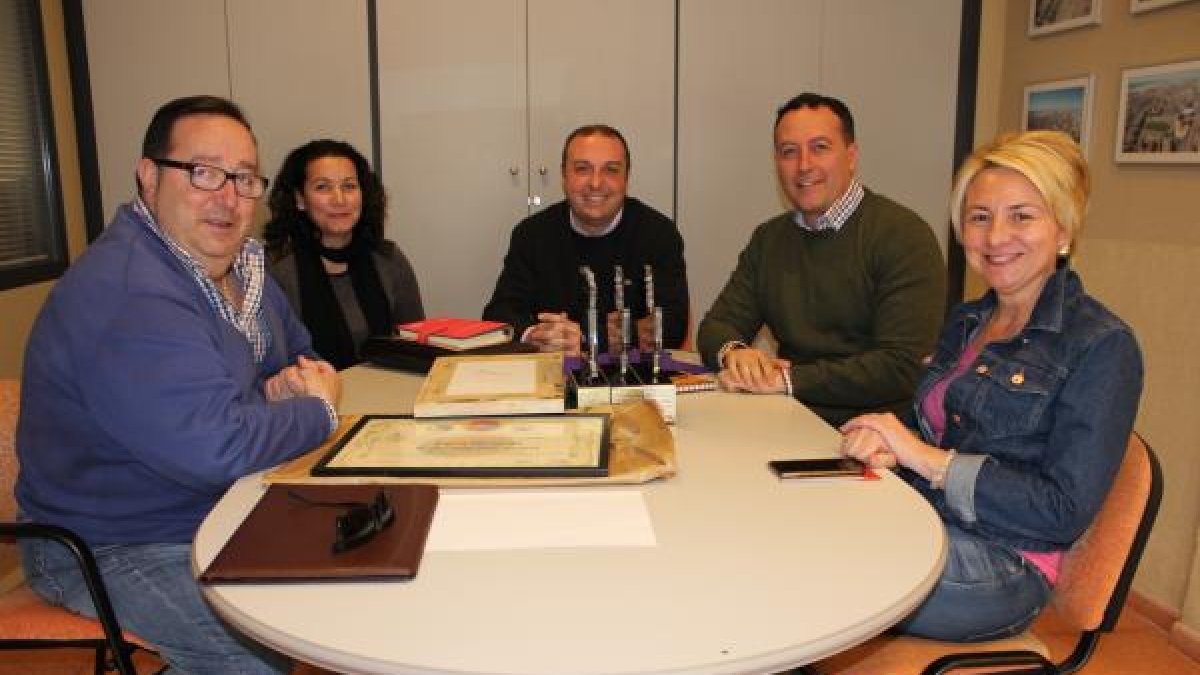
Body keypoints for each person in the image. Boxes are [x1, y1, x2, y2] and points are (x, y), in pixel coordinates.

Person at [16, 95, 341, 673]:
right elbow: (217, 447)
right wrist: (315, 411)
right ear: (148, 176)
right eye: (203, 172)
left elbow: (303, 358)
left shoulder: (245, 269)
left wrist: (282, 390)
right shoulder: (128, 291)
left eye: (244, 178)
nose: (228, 196)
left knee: (364, 558)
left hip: (219, 506)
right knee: (250, 648)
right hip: (109, 543)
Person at [839, 130, 1143, 641]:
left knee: (814, 569)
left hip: (1005, 564)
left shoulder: (1103, 346)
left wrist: (924, 459)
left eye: (1021, 215)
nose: (996, 237)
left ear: (1064, 230)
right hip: (926, 520)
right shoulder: (968, 319)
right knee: (791, 529)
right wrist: (889, 444)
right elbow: (935, 423)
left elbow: (1062, 512)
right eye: (980, 217)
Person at [696, 92, 946, 426]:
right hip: (789, 419)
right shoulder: (769, 239)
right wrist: (735, 353)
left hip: (875, 436)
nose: (804, 165)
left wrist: (786, 380)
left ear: (851, 156)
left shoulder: (903, 235)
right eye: (789, 152)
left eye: (820, 148)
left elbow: (901, 365)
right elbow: (716, 326)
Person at [483, 124, 689, 356]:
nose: (595, 183)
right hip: (552, 374)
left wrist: (584, 338)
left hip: (633, 379)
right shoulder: (531, 234)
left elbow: (672, 326)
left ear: (626, 178)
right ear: (564, 176)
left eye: (611, 170)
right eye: (582, 169)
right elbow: (499, 314)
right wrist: (536, 335)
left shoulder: (659, 234)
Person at [264, 139, 425, 370]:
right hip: (310, 400)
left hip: (390, 393)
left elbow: (416, 346)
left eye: (349, 186)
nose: (339, 200)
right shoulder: (274, 268)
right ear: (300, 199)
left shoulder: (388, 259)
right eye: (323, 187)